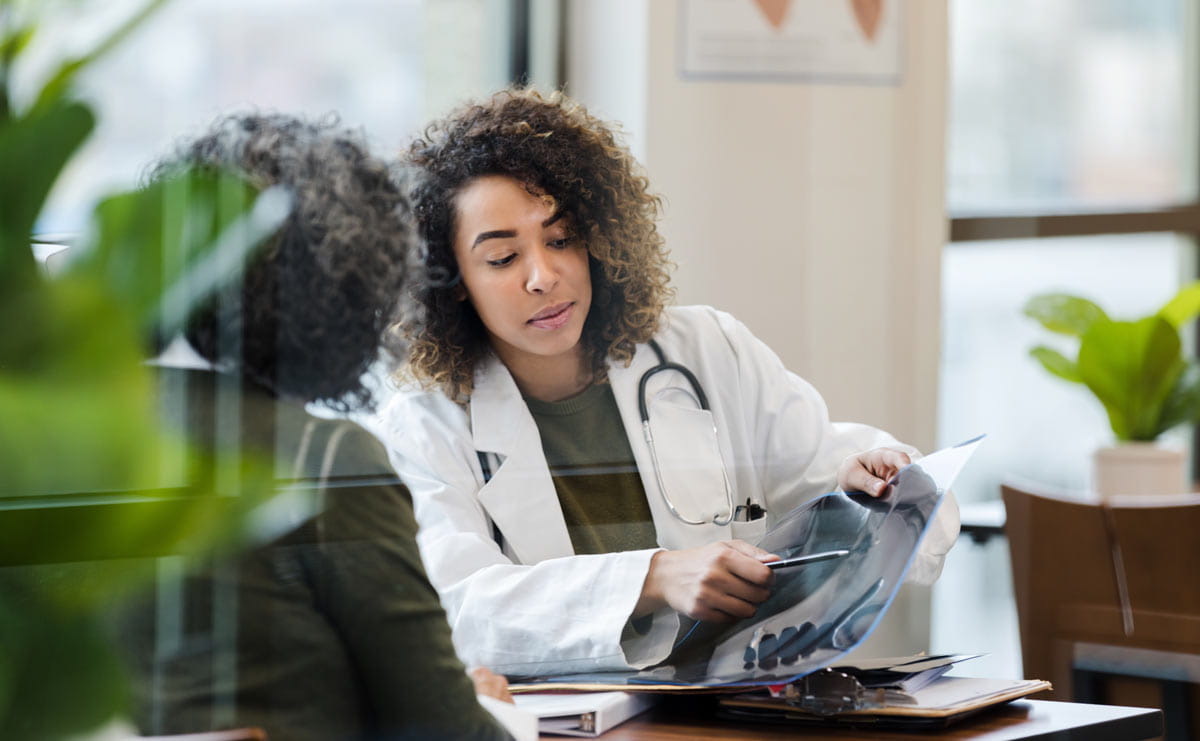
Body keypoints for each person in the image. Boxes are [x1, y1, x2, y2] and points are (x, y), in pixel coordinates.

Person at [379, 88, 960, 677]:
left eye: (561, 240)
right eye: (503, 259)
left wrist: (876, 481)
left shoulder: (708, 350)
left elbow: (835, 477)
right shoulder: (425, 424)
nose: (544, 276)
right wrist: (654, 578)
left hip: (740, 709)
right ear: (449, 279)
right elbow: (455, 612)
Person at [119, 113, 514, 740]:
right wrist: (494, 711)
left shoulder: (67, 440)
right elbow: (447, 730)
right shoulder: (323, 459)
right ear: (343, 284)